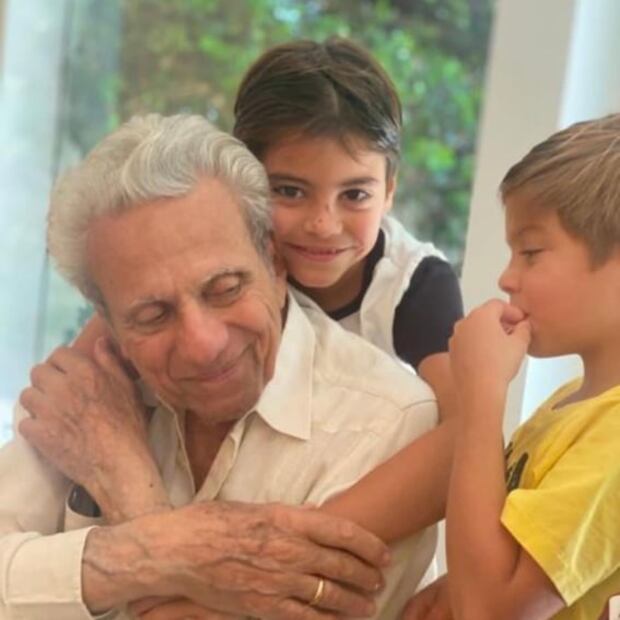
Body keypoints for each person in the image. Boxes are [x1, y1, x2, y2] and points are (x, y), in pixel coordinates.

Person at [2, 113, 446, 620]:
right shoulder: (86, 391)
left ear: (274, 263)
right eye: (153, 315)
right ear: (109, 321)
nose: (203, 345)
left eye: (226, 289)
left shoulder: (386, 423)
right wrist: (153, 553)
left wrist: (129, 492)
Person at [404, 114, 620, 619]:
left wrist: (481, 396)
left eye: (531, 252)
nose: (507, 277)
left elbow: (491, 613)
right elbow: (509, 561)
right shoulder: (569, 403)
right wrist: (456, 584)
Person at [233, 38, 463, 419]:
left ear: (389, 191)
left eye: (354, 195)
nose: (324, 225)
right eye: (289, 191)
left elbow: (463, 427)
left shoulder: (415, 286)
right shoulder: (223, 258)